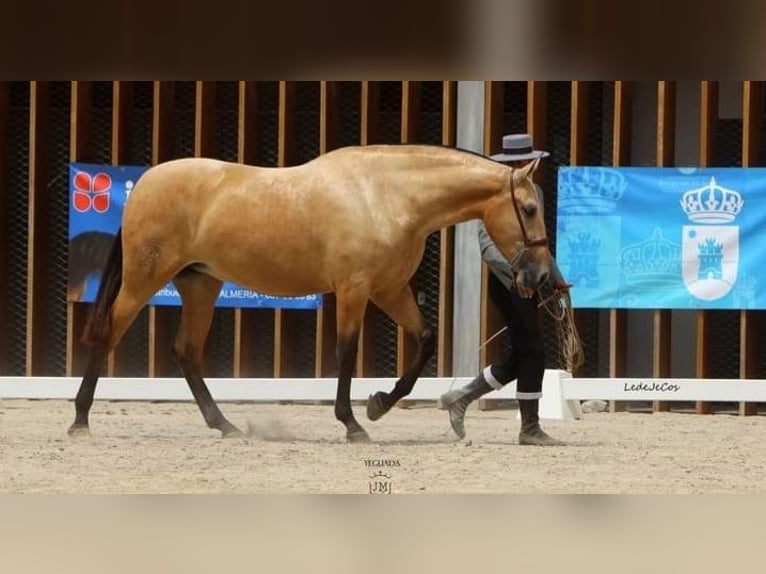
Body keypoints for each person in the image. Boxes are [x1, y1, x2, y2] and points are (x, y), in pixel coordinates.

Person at [440, 133, 570, 446]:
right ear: (510, 164)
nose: (525, 166)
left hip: (530, 278)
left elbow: (539, 242)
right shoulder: (491, 196)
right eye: (519, 162)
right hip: (508, 282)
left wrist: (556, 278)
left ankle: (463, 397)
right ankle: (529, 429)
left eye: (527, 161)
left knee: (521, 354)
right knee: (534, 351)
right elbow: (488, 247)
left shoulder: (534, 191)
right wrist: (516, 276)